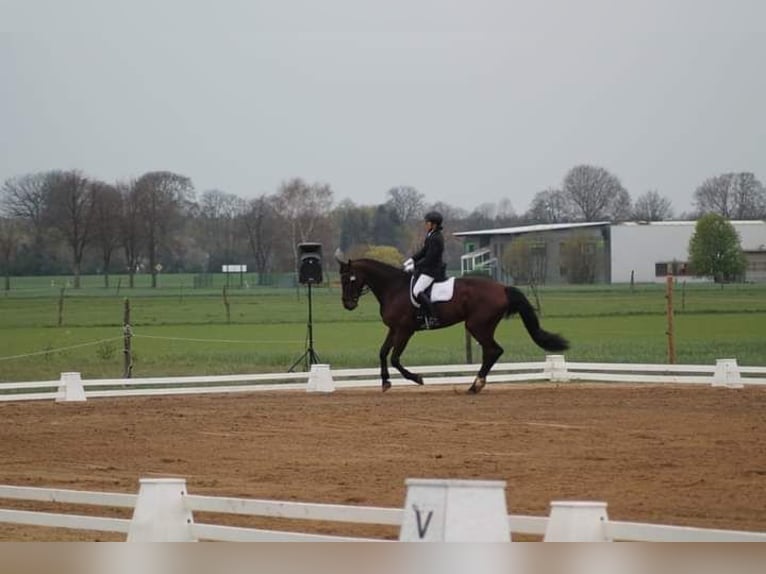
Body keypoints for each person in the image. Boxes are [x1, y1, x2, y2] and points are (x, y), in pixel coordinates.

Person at [403, 211, 446, 329]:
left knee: (417, 291)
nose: (425, 224)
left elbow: (430, 258)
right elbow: (423, 252)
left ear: (434, 224)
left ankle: (433, 317)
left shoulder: (436, 238)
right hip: (427, 269)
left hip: (433, 270)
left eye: (427, 222)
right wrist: (411, 259)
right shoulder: (431, 234)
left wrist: (414, 266)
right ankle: (421, 314)